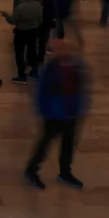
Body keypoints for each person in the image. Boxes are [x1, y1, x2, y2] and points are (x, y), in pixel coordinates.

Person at [24, 38, 89, 190]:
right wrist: (44, 110)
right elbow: (40, 93)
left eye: (65, 47)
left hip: (71, 113)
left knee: (68, 145)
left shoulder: (76, 66)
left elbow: (81, 88)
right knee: (44, 145)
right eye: (60, 48)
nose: (64, 50)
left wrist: (80, 108)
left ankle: (65, 173)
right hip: (53, 113)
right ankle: (31, 170)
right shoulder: (49, 69)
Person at [1, 0, 42, 85]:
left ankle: (21, 75)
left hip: (21, 33)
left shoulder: (20, 7)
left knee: (19, 53)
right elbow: (40, 19)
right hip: (33, 31)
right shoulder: (37, 5)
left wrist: (6, 15)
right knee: (32, 51)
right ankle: (35, 72)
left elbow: (13, 20)